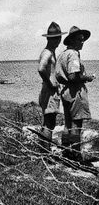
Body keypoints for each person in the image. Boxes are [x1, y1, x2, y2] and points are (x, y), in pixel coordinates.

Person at [55, 26, 95, 161]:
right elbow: (73, 77)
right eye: (80, 39)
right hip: (74, 91)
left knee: (68, 124)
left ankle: (66, 151)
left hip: (65, 91)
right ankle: (75, 154)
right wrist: (87, 77)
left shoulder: (63, 54)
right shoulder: (73, 54)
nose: (82, 42)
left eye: (83, 40)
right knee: (77, 124)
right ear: (72, 40)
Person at [37, 22, 66, 152]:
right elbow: (41, 68)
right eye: (57, 38)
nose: (59, 41)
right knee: (49, 123)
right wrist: (50, 83)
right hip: (49, 91)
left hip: (49, 90)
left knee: (48, 122)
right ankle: (45, 153)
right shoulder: (47, 53)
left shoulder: (50, 52)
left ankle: (43, 151)